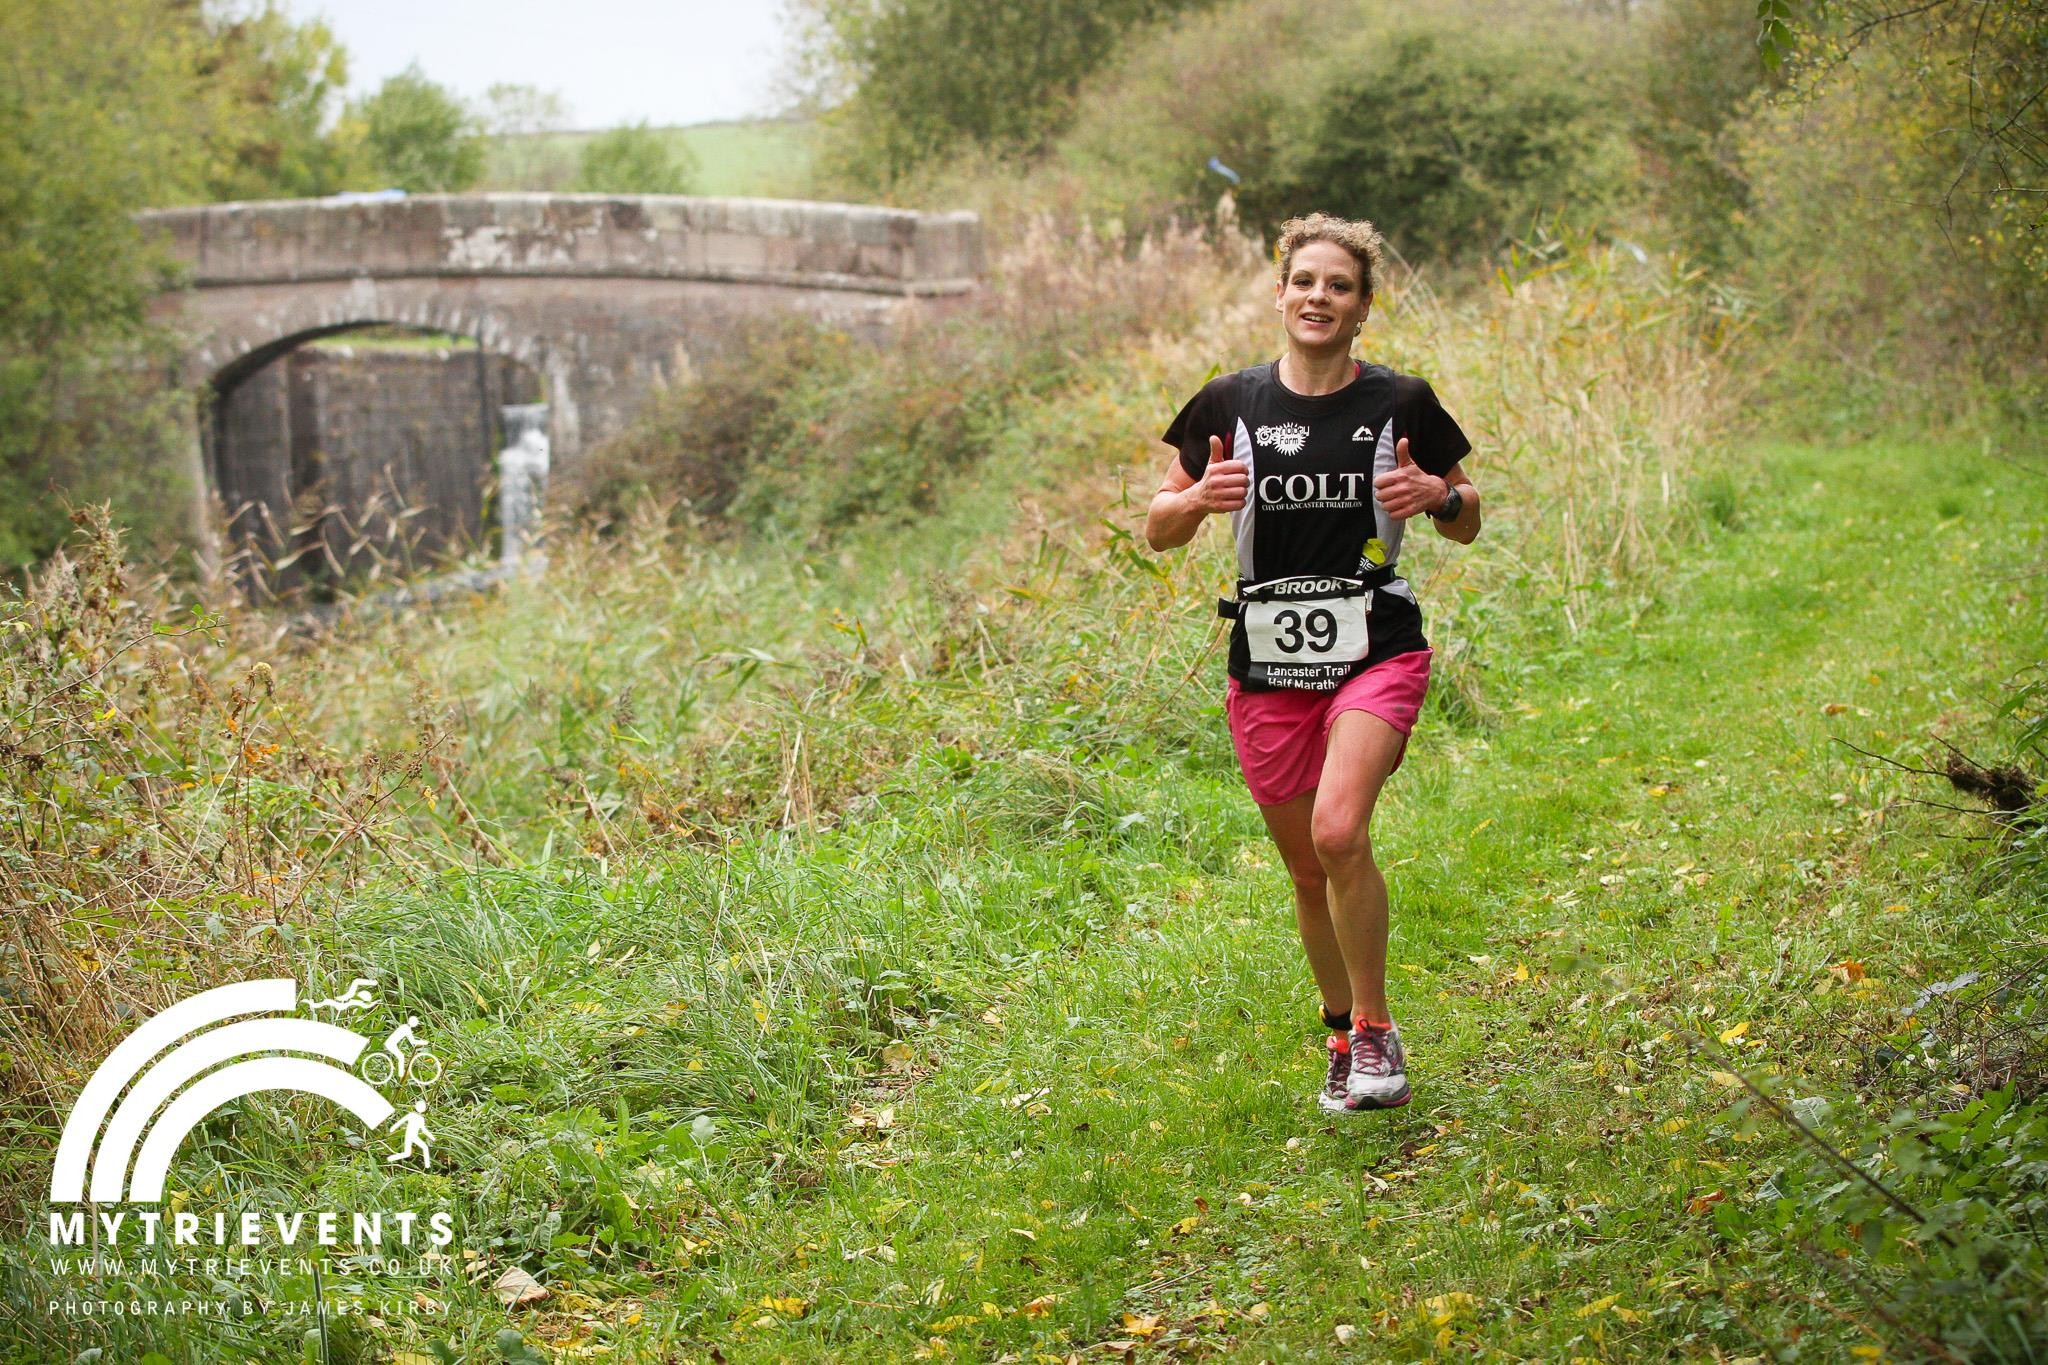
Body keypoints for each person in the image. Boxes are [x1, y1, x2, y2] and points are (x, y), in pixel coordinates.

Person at [1145, 213, 1481, 1114]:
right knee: (1305, 867)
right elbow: (1156, 526)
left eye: (1339, 285)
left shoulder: (1400, 401)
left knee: (1339, 832)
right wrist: (1199, 501)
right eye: (1304, 282)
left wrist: (1439, 494)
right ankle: (1338, 1032)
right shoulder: (1229, 402)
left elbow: (1468, 511)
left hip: (1377, 643)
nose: (1318, 297)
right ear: (1280, 294)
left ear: (1364, 306)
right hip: (1265, 658)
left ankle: (1375, 1032)